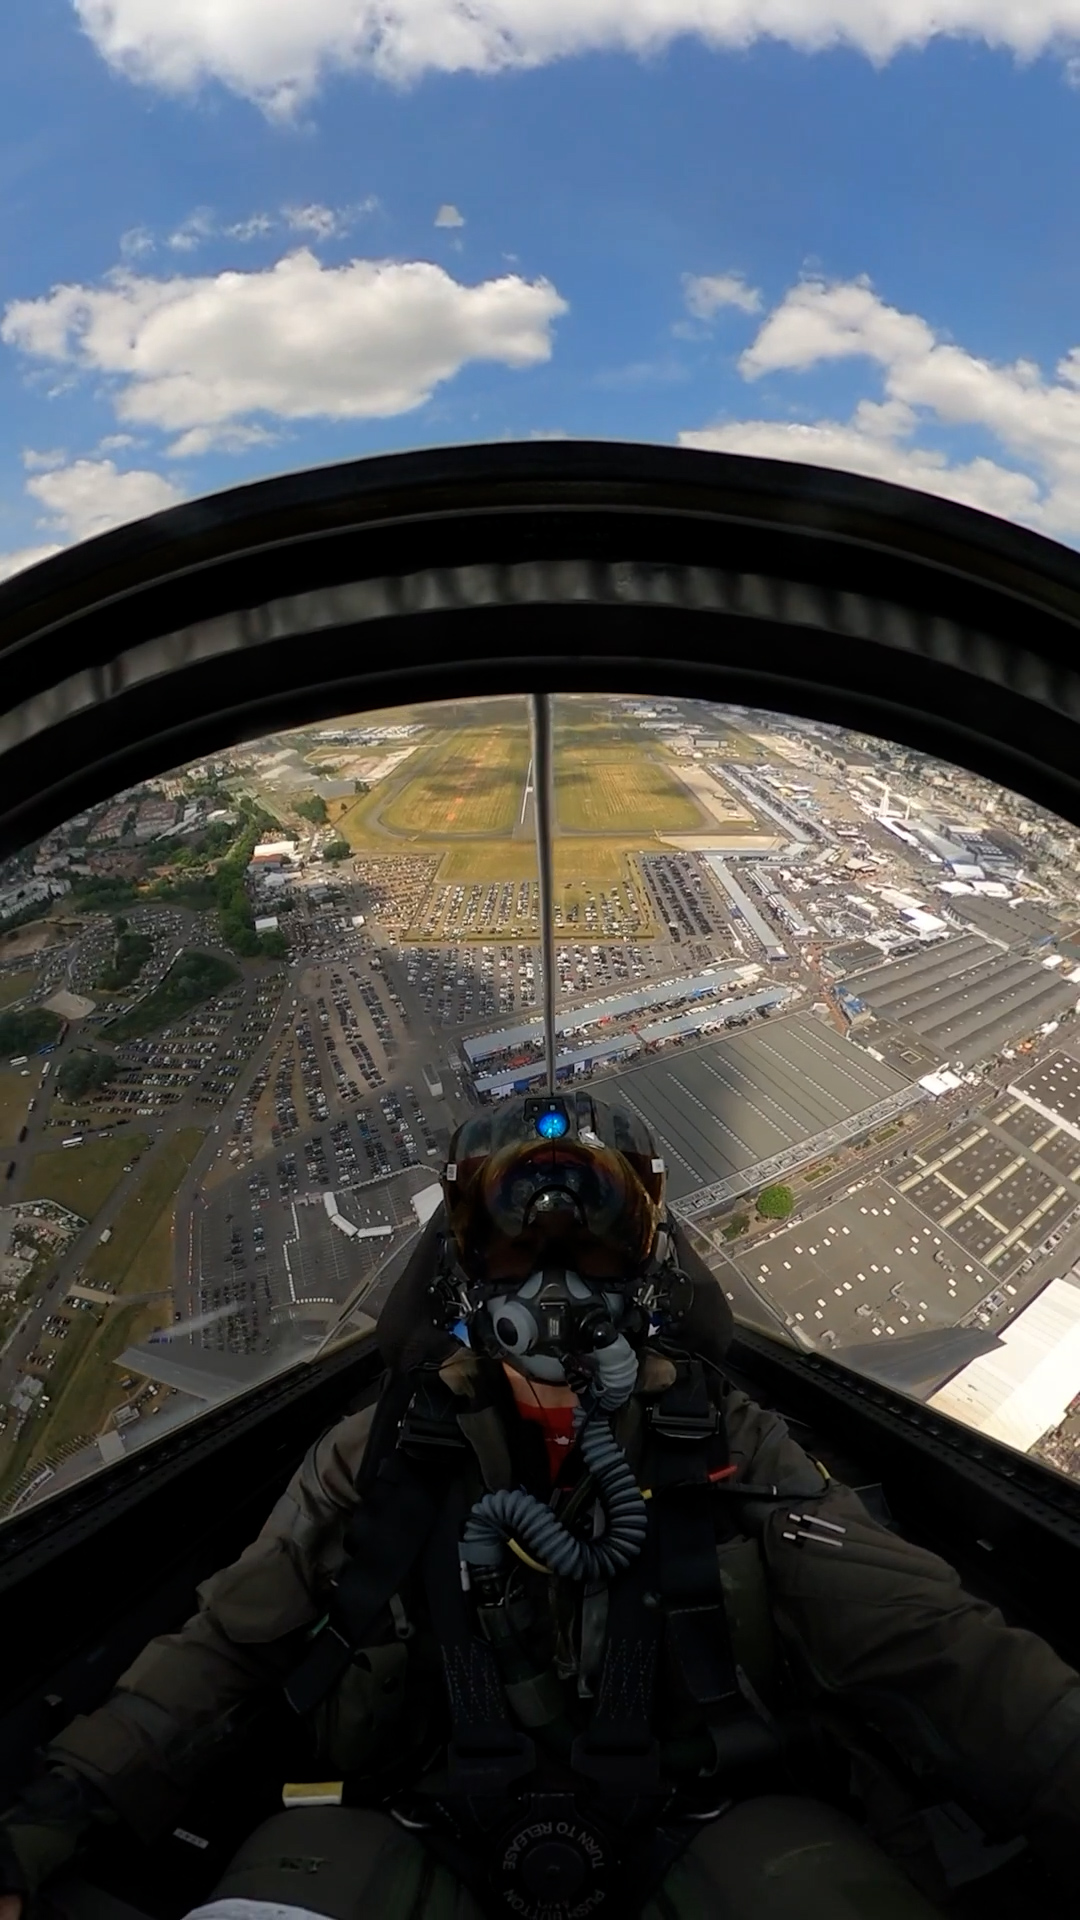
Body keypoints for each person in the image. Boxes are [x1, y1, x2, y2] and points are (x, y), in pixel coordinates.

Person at [2, 1091, 1080, 1920]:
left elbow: (929, 1638)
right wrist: (54, 1814)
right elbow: (228, 1642)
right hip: (415, 1821)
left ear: (649, 1259)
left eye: (594, 1236)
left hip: (707, 1815)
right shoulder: (374, 1457)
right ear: (464, 1266)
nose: (554, 1275)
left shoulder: (730, 1445)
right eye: (516, 1239)